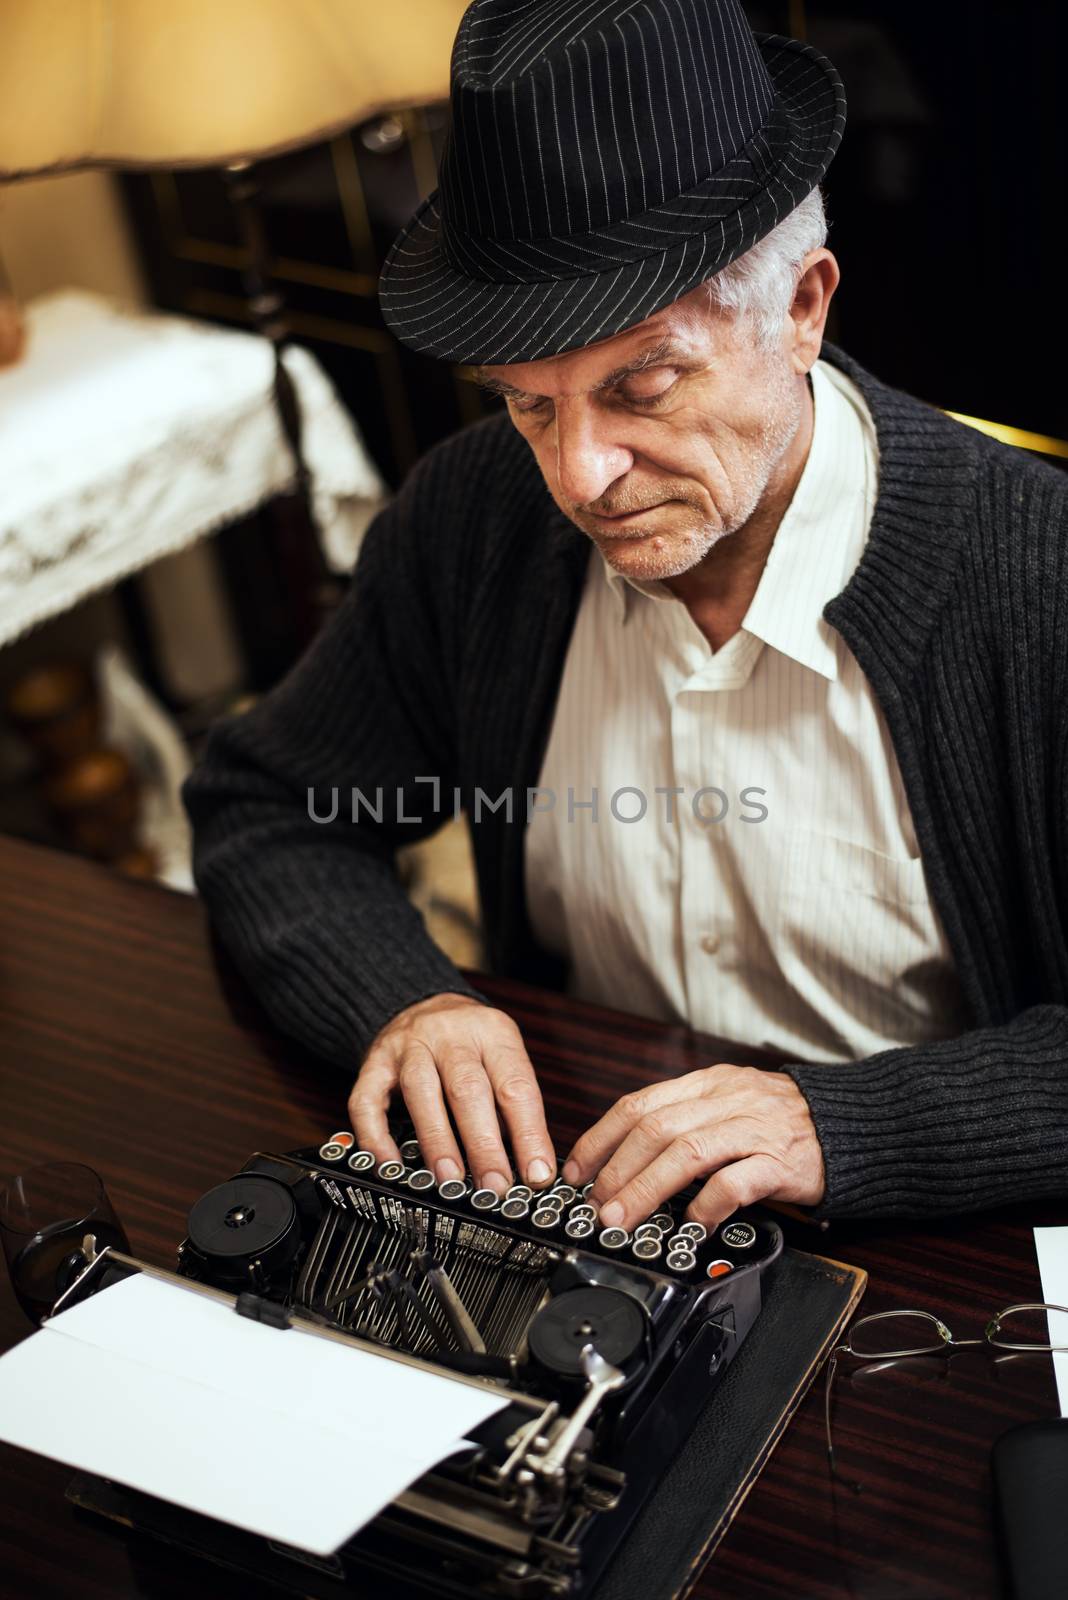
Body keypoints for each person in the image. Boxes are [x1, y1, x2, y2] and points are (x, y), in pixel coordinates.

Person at [183, 0, 1068, 1231]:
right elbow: (272, 805)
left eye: (641, 385)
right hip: (573, 1202)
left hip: (933, 1256)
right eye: (526, 404)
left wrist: (850, 1121)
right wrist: (407, 999)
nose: (579, 478)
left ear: (803, 307)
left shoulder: (1036, 577)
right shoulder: (475, 520)